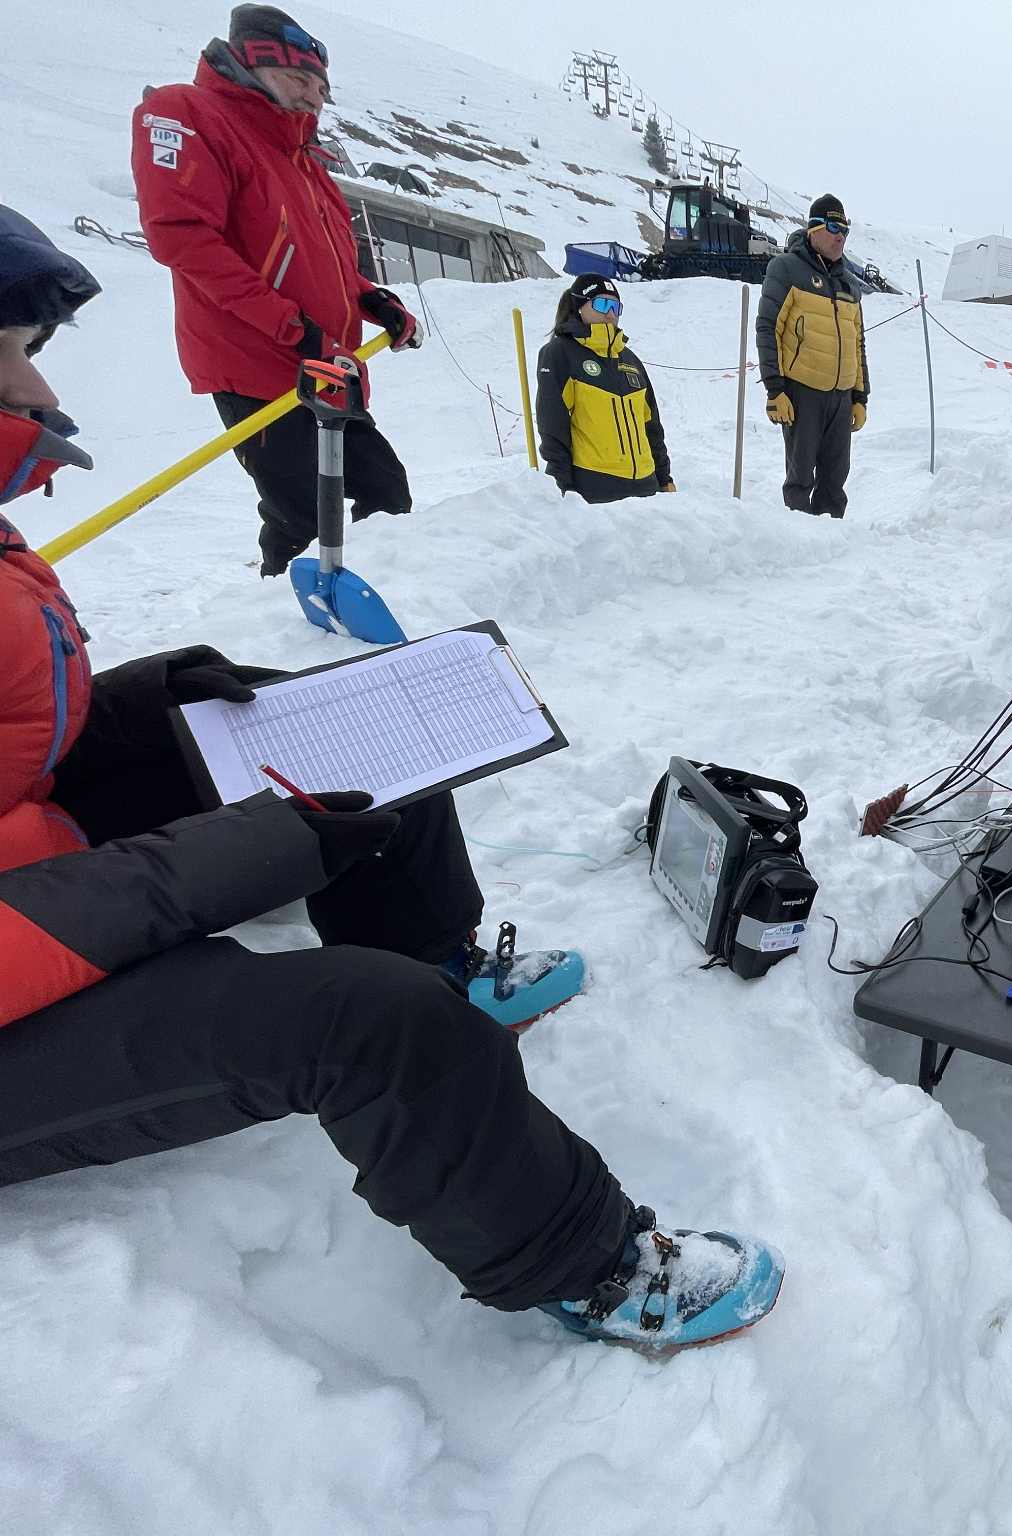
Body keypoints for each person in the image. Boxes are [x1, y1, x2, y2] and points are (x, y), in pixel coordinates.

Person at [0, 210, 781, 1356]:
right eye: (12, 353)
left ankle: (442, 957)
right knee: (368, 1023)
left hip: (39, 856)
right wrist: (227, 860)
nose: (37, 389)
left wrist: (153, 693)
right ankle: (589, 1264)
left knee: (356, 749)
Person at [130, 5, 423, 576]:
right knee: (303, 517)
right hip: (257, 361)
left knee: (386, 494)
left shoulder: (301, 158)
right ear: (249, 63)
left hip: (323, 364)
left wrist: (370, 299)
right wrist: (295, 329)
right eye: (299, 80)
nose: (314, 97)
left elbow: (320, 266)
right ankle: (286, 635)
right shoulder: (188, 113)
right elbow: (184, 241)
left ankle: (372, 598)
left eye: (320, 87)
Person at [756, 193, 868, 518]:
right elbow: (768, 328)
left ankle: (831, 550)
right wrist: (775, 389)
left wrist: (860, 396)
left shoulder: (848, 282)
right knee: (801, 479)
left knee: (834, 482)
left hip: (841, 396)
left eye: (845, 230)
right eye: (834, 227)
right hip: (802, 392)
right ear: (813, 229)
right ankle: (798, 547)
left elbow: (857, 343)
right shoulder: (786, 268)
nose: (840, 236)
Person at [535, 275, 675, 504]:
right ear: (580, 306)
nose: (610, 314)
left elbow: (651, 426)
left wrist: (663, 478)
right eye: (601, 304)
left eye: (615, 307)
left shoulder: (630, 359)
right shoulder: (560, 353)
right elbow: (553, 427)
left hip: (646, 487)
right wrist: (562, 486)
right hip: (596, 487)